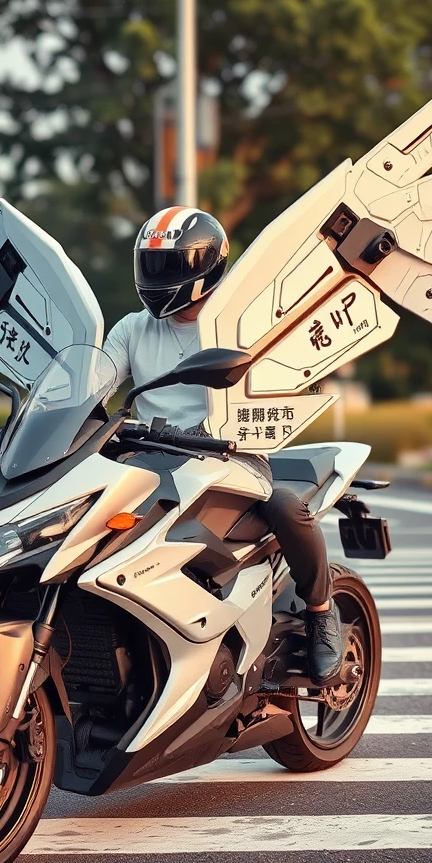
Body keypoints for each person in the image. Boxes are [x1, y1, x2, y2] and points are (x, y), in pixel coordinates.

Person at [102, 206, 344, 686]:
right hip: (153, 463)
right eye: (149, 266)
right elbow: (98, 379)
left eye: (168, 266)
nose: (156, 278)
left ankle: (320, 610)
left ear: (203, 267)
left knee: (286, 507)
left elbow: (274, 386)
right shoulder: (132, 329)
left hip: (233, 462)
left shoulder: (240, 325)